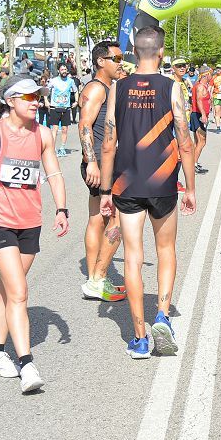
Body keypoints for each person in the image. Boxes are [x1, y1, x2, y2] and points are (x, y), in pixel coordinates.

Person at [0, 76, 69, 394]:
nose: (36, 101)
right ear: (10, 100)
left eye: (39, 96)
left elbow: (54, 174)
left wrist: (62, 209)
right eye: (29, 97)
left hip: (30, 223)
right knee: (19, 291)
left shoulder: (43, 134)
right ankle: (27, 363)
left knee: (8, 290)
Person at [100, 26, 197, 359]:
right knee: (166, 249)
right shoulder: (173, 87)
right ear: (161, 50)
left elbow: (109, 141)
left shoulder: (118, 88)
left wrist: (105, 190)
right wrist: (191, 187)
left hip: (126, 183)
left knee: (133, 256)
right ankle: (163, 316)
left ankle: (140, 337)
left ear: (133, 50)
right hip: (163, 182)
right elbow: (184, 139)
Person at [78, 41, 128, 302]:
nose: (121, 62)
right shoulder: (96, 89)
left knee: (97, 218)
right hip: (100, 163)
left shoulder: (110, 87)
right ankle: (97, 278)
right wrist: (92, 162)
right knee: (116, 220)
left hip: (105, 161)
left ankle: (95, 280)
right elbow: (84, 125)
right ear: (100, 62)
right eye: (116, 58)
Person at [45, 63, 76, 155]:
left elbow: (76, 90)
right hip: (55, 107)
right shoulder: (53, 81)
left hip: (66, 108)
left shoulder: (70, 81)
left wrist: (76, 101)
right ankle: (52, 148)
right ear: (59, 71)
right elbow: (46, 90)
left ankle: (62, 147)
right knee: (54, 128)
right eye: (62, 69)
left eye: (65, 69)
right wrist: (46, 100)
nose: (64, 71)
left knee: (64, 129)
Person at [189, 67, 213, 173]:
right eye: (210, 74)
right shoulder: (200, 87)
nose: (211, 77)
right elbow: (198, 100)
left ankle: (194, 162)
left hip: (197, 115)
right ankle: (193, 165)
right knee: (201, 142)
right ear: (206, 75)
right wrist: (203, 115)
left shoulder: (201, 86)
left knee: (197, 142)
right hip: (198, 115)